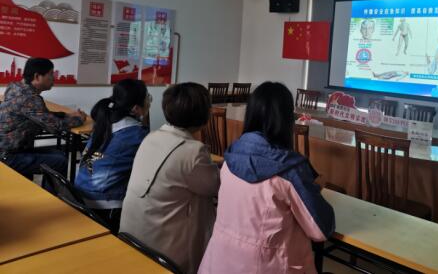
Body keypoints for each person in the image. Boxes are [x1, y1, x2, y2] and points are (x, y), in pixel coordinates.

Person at [199, 82, 335, 274]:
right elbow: (321, 230)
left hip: (218, 264)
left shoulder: (230, 158)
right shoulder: (290, 171)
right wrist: (313, 190)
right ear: (287, 120)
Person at [120, 83, 220, 273]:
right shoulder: (193, 151)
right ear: (203, 114)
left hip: (132, 235)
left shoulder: (151, 137)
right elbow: (215, 187)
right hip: (163, 253)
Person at [74, 79, 150, 228]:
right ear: (135, 108)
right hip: (105, 206)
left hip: (81, 194)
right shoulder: (137, 134)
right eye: (148, 98)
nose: (149, 102)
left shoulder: (105, 122)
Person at [0, 57, 86, 179]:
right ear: (37, 76)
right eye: (51, 74)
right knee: (60, 161)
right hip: (8, 155)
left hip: (10, 148)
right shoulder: (30, 98)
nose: (54, 78)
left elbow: (40, 114)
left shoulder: (15, 88)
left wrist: (66, 115)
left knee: (58, 154)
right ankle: (50, 192)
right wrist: (80, 119)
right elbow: (56, 126)